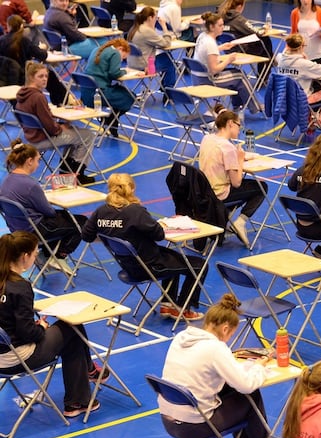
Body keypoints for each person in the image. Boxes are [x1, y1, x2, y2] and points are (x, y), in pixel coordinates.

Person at [160, 293, 282, 438]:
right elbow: (246, 385)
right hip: (194, 427)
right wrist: (259, 367)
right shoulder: (215, 348)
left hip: (169, 421)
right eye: (232, 334)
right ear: (225, 329)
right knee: (250, 395)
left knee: (229, 388)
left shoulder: (181, 337)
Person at [0, 231, 102, 417]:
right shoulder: (20, 287)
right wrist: (40, 327)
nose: (36, 255)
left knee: (70, 337)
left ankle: (85, 383)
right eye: (35, 252)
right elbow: (27, 333)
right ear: (25, 256)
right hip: (15, 358)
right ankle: (79, 396)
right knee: (73, 328)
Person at [81, 173, 205, 322]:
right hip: (149, 266)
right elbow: (159, 235)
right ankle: (183, 308)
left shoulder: (101, 211)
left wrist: (113, 235)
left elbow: (86, 236)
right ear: (132, 189)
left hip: (128, 266)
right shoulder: (135, 212)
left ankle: (167, 304)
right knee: (199, 266)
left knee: (173, 258)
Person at [0, 140, 86, 274]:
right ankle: (58, 255)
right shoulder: (31, 185)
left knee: (65, 218)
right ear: (29, 161)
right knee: (81, 223)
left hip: (17, 227)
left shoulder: (7, 180)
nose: (38, 164)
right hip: (36, 229)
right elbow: (49, 212)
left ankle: (46, 253)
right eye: (37, 160)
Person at [15, 62, 96, 184]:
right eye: (40, 76)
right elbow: (52, 128)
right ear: (31, 77)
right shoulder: (38, 97)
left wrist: (60, 124)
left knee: (74, 134)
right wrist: (61, 127)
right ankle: (78, 174)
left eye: (46, 76)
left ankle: (66, 172)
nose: (45, 79)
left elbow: (41, 116)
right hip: (42, 139)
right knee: (87, 135)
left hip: (30, 136)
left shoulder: (23, 94)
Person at [197, 106, 267, 248]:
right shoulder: (227, 148)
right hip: (220, 193)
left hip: (203, 191)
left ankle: (225, 216)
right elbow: (236, 183)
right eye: (238, 125)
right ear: (230, 123)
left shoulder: (207, 138)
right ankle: (240, 222)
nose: (240, 129)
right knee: (261, 187)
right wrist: (240, 160)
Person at [192, 12, 260, 115]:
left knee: (235, 73)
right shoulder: (210, 43)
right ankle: (255, 107)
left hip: (197, 77)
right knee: (239, 76)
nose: (222, 27)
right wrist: (229, 59)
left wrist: (221, 47)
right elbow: (214, 70)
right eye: (220, 25)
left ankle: (238, 105)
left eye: (223, 24)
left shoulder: (202, 36)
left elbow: (206, 53)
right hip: (207, 80)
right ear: (211, 27)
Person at [0, 15, 71, 106]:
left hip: (5, 79)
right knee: (50, 76)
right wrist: (41, 48)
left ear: (8, 26)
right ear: (22, 26)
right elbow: (42, 55)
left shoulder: (1, 40)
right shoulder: (24, 40)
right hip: (22, 77)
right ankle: (62, 101)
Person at [275, 33, 321, 131]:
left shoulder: (280, 60)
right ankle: (320, 119)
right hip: (301, 100)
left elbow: (282, 54)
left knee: (314, 88)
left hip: (283, 99)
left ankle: (310, 118)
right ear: (301, 47)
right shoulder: (304, 64)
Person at [84, 38, 133, 138]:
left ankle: (110, 120)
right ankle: (111, 119)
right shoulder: (115, 53)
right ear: (120, 48)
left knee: (120, 92)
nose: (122, 59)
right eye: (123, 57)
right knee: (130, 96)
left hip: (86, 94)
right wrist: (125, 71)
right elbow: (114, 73)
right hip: (99, 94)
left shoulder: (97, 49)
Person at [218, 0, 272, 88]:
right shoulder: (239, 20)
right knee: (265, 41)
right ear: (240, 6)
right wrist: (264, 29)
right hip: (241, 51)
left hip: (227, 50)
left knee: (262, 44)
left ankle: (270, 62)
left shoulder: (220, 17)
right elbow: (256, 32)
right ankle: (264, 76)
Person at [127, 7, 177, 91]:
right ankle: (168, 90)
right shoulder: (146, 31)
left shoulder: (134, 29)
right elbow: (166, 43)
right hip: (144, 66)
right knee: (169, 61)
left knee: (164, 58)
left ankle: (165, 87)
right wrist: (164, 27)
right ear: (150, 18)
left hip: (132, 63)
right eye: (155, 18)